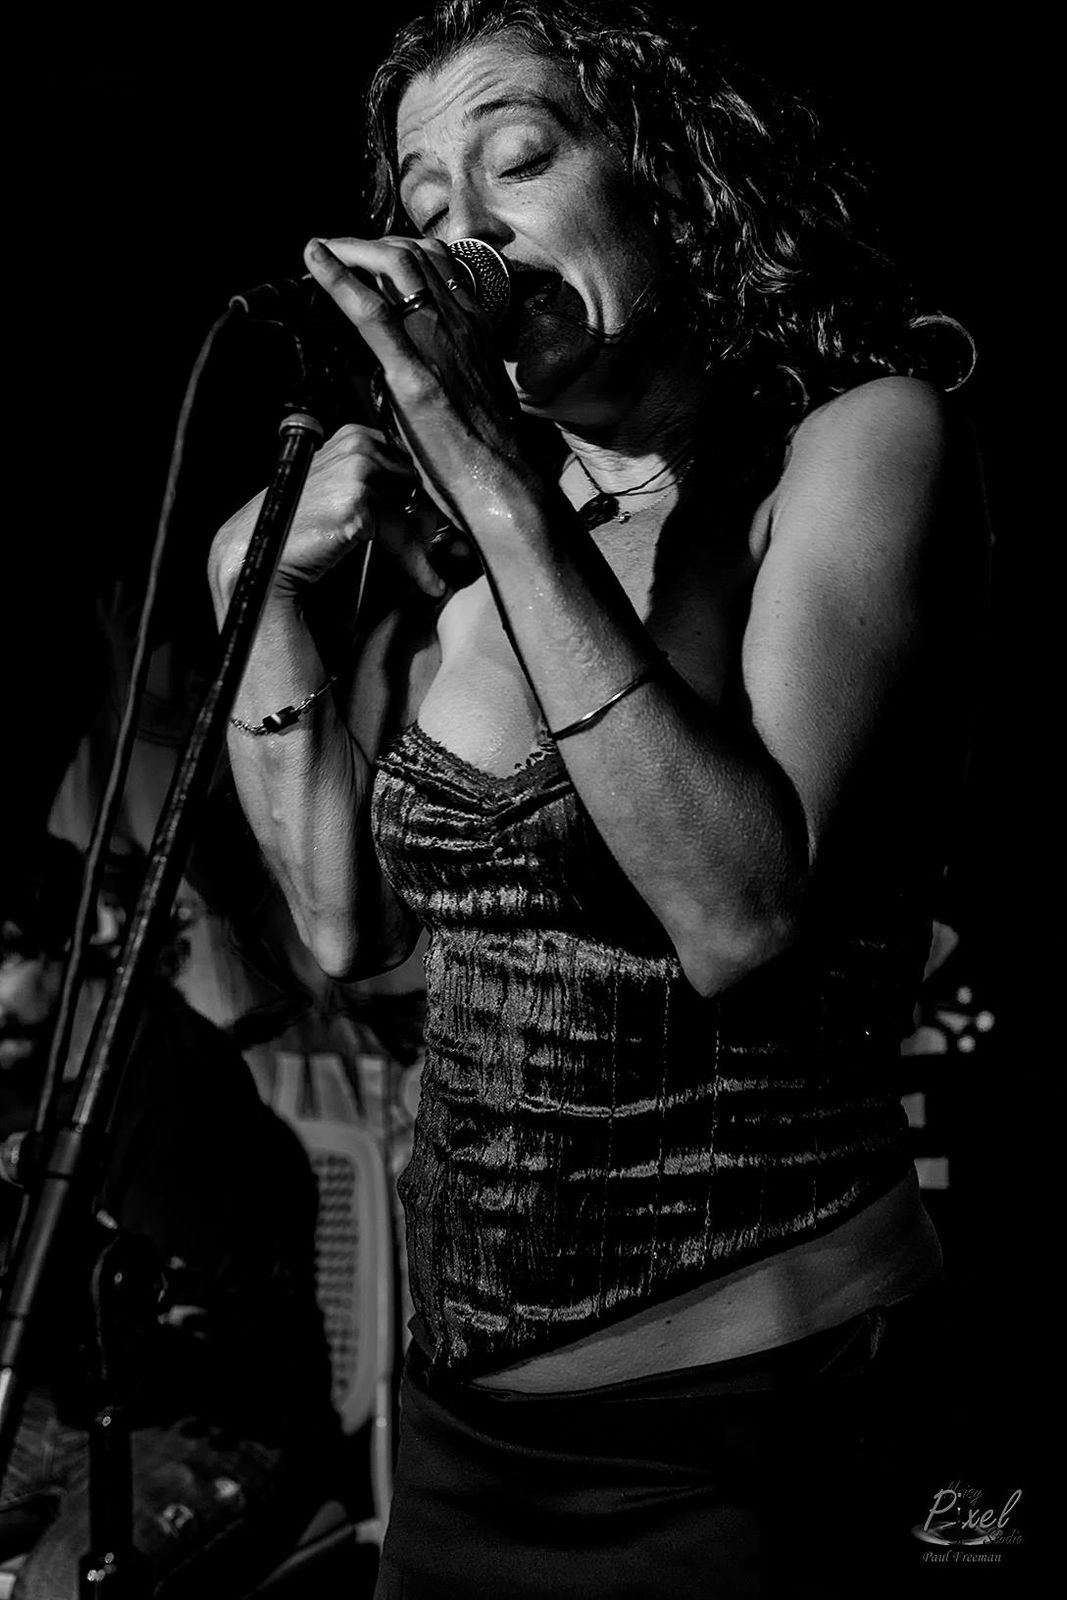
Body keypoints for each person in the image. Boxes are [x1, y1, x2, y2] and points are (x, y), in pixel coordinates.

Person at [209, 2, 989, 1593]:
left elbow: (739, 914)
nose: (464, 236)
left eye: (516, 162)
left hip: (752, 1417)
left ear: (666, 185)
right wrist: (263, 598)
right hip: (467, 1438)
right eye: (426, 205)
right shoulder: (496, 565)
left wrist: (487, 477)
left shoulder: (850, 448)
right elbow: (345, 930)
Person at [0, 834, 338, 1598]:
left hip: (220, 1424)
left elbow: (196, 1327)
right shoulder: (18, 1069)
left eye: (5, 958)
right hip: (57, 1406)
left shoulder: (179, 1077)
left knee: (63, 1591)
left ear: (74, 945)